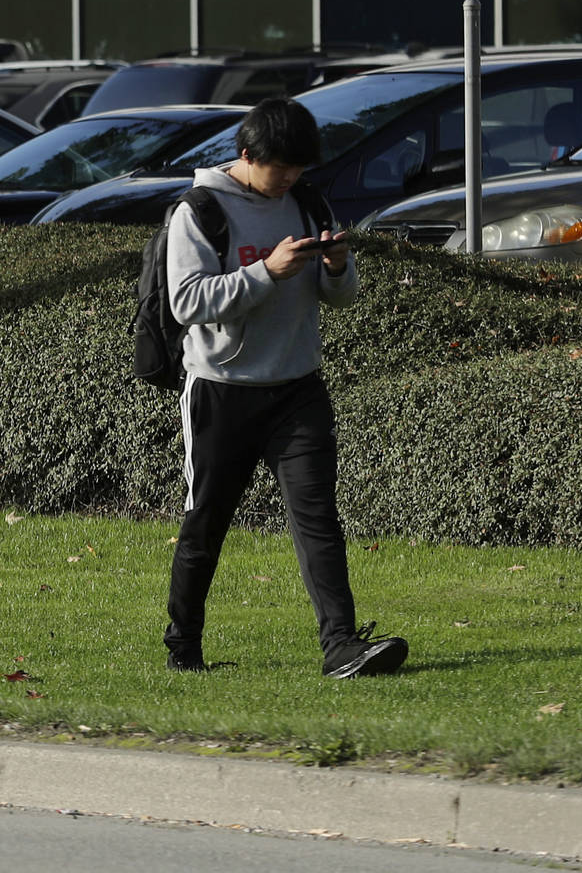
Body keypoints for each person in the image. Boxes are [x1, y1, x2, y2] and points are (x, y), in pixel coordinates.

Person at [161, 97, 408, 679]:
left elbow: (340, 299)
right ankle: (183, 646)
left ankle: (342, 646)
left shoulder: (305, 201)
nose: (292, 180)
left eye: (301, 170)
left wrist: (337, 268)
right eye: (282, 169)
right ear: (248, 156)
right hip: (221, 390)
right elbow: (186, 302)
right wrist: (264, 272)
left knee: (318, 515)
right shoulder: (198, 211)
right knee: (207, 521)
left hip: (298, 387)